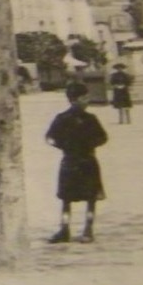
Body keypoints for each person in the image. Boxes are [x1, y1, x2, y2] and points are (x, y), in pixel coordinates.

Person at [46, 81, 108, 243]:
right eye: (84, 97)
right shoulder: (71, 119)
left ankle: (78, 229)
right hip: (79, 161)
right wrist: (70, 146)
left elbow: (50, 139)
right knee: (76, 198)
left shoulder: (85, 118)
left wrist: (66, 146)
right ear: (74, 99)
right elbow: (49, 138)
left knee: (81, 198)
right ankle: (75, 230)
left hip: (77, 161)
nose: (87, 100)